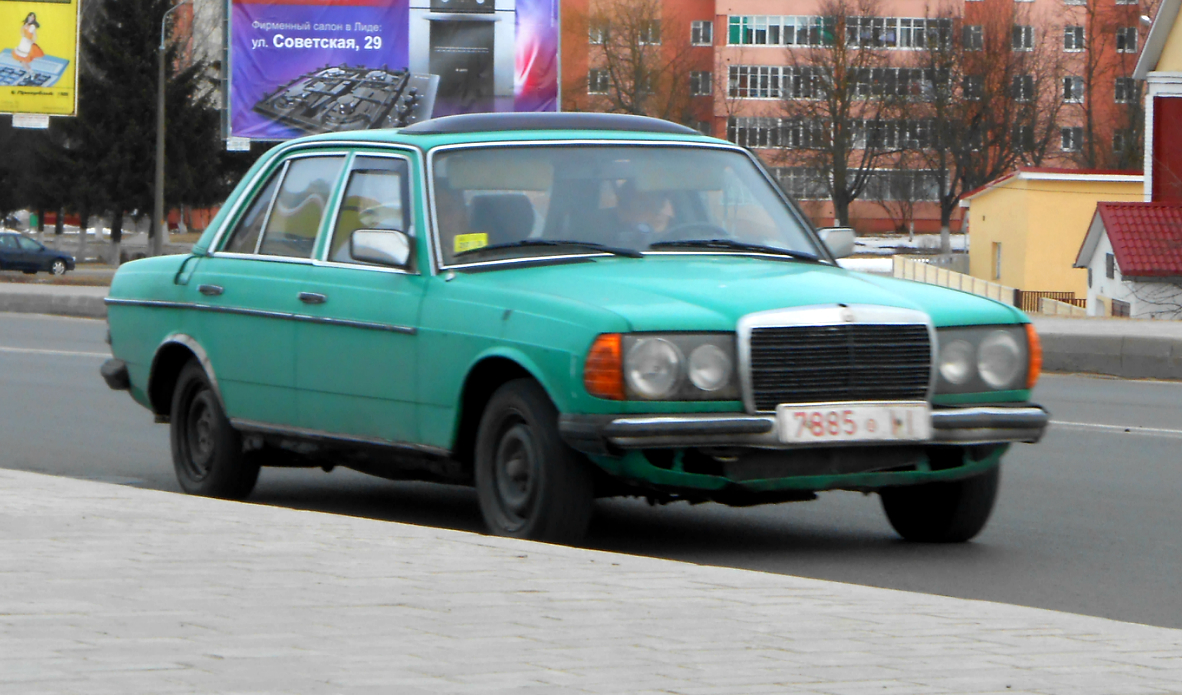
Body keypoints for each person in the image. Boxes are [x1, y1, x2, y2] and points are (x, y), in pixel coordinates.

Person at [609, 180, 674, 249]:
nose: (656, 213)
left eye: (659, 205)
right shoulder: (612, 245)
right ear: (623, 213)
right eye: (644, 206)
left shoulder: (682, 238)